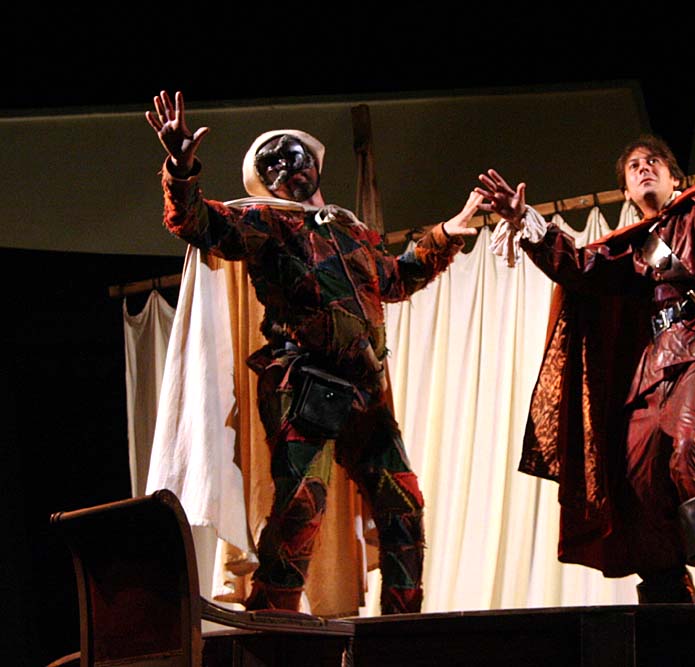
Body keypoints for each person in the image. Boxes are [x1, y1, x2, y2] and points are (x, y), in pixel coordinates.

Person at [476, 43, 695, 604]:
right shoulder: (626, 249)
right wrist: (524, 221)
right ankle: (666, 586)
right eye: (633, 167)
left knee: (690, 446)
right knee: (637, 475)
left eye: (653, 162)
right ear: (627, 191)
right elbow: (578, 267)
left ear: (675, 177)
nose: (643, 167)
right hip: (647, 374)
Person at [146, 91, 481, 615]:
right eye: (272, 163)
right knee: (301, 509)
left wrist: (447, 234)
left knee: (402, 503)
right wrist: (181, 169)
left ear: (314, 163)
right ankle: (272, 623)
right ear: (265, 181)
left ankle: (401, 631)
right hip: (304, 383)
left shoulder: (352, 232)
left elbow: (395, 278)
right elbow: (201, 225)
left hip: (363, 388)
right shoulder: (268, 221)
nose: (285, 166)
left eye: (292, 154)